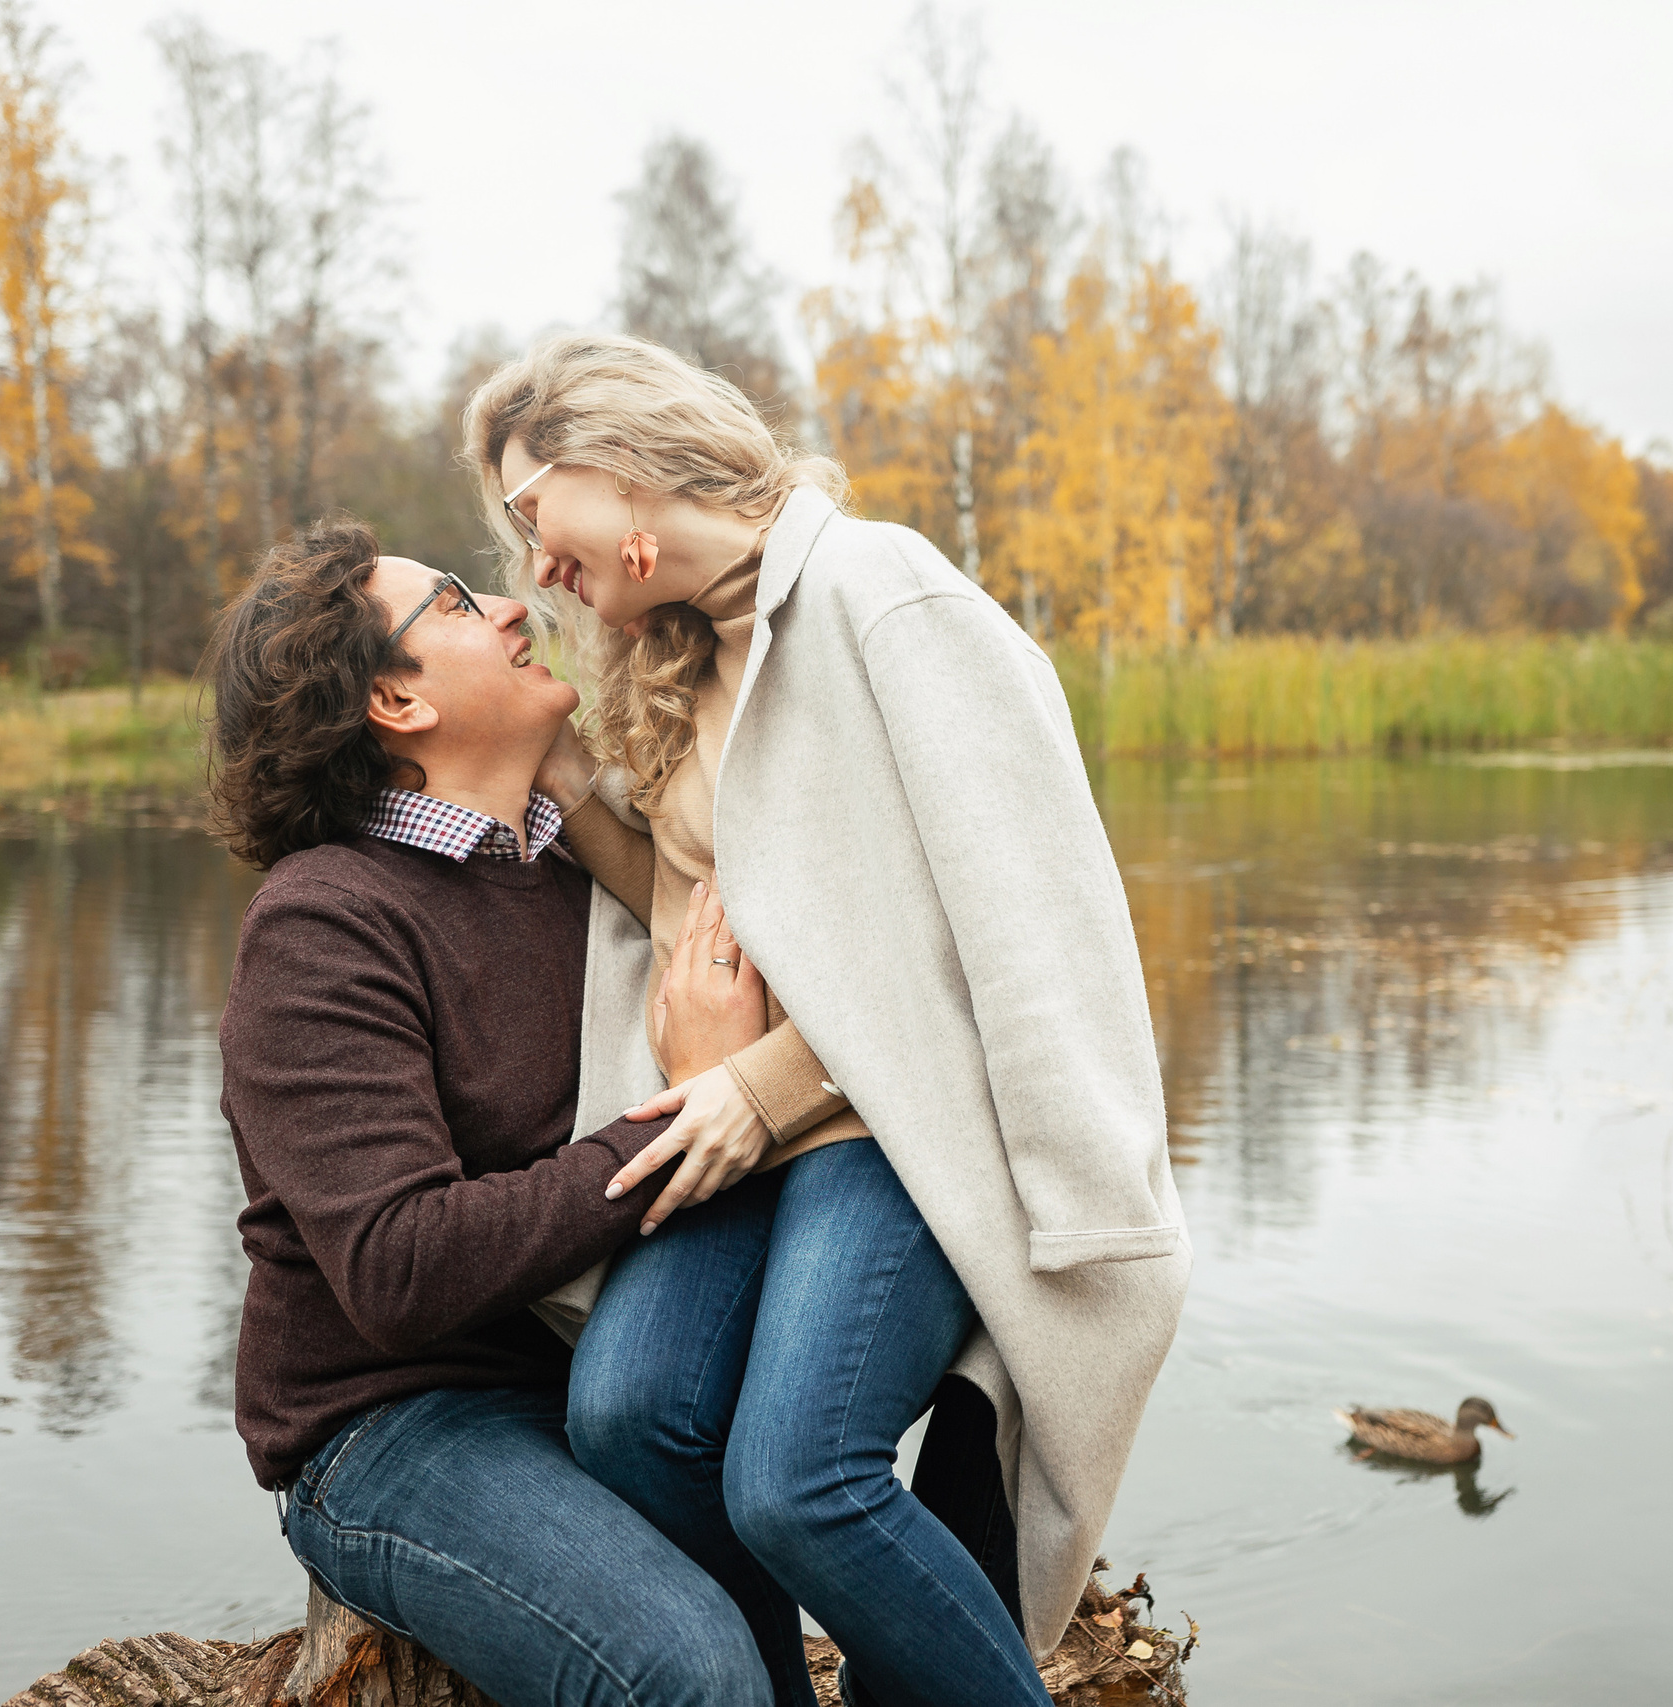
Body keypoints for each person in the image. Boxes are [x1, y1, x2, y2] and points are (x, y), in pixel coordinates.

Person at [463, 335, 1191, 1707]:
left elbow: (1005, 929)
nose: (535, 564)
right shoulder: (679, 654)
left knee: (796, 1480)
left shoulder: (883, 593)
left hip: (894, 1123)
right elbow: (695, 904)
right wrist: (556, 781)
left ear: (617, 463)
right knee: (626, 1418)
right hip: (740, 1122)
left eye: (532, 511)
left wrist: (759, 1089)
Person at [204, 517, 773, 1707]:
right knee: (687, 1668)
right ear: (396, 701)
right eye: (461, 604)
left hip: (613, 1383)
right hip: (394, 1421)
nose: (513, 606)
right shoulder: (324, 924)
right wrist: (688, 1109)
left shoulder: (579, 869)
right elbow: (401, 1265)